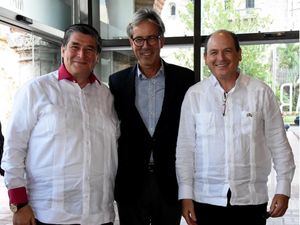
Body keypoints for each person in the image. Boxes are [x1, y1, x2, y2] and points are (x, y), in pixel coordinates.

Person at [1, 24, 118, 225]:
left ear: (97, 56)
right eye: (75, 46)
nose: (81, 54)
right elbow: (14, 149)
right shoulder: (35, 90)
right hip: (49, 214)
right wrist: (19, 204)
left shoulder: (105, 95)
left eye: (90, 49)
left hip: (100, 214)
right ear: (63, 50)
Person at [176, 29, 296, 225]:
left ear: (239, 54)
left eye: (227, 51)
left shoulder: (261, 93)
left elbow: (279, 145)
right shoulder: (194, 96)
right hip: (205, 200)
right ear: (206, 58)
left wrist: (283, 189)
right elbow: (185, 151)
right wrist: (185, 195)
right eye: (213, 52)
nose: (220, 58)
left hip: (250, 201)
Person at [109, 8, 194, 225]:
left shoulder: (185, 80)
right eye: (139, 39)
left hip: (169, 183)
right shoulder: (116, 83)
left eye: (151, 38)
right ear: (131, 42)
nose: (145, 45)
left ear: (161, 40)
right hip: (130, 183)